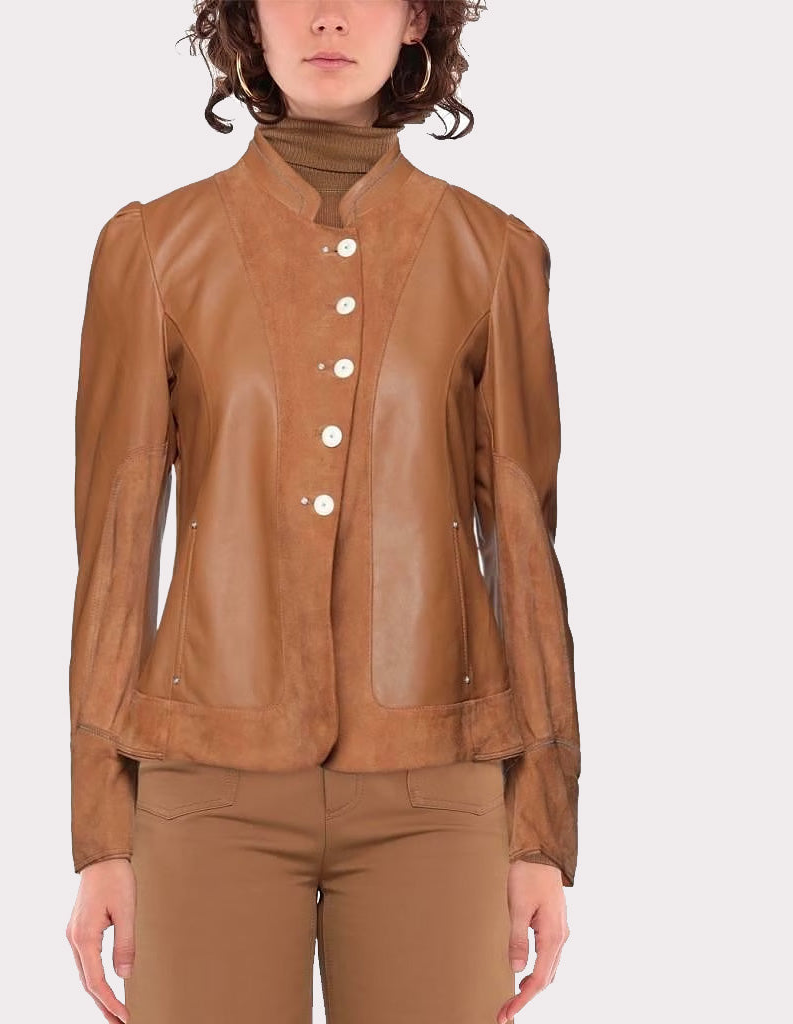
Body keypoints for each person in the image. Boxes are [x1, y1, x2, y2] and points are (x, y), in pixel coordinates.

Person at [65, 3, 580, 1023]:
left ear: (417, 20)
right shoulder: (154, 248)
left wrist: (541, 832)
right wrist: (100, 833)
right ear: (247, 21)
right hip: (205, 787)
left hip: (439, 792)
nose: (330, 17)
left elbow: (526, 557)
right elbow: (114, 552)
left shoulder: (494, 255)